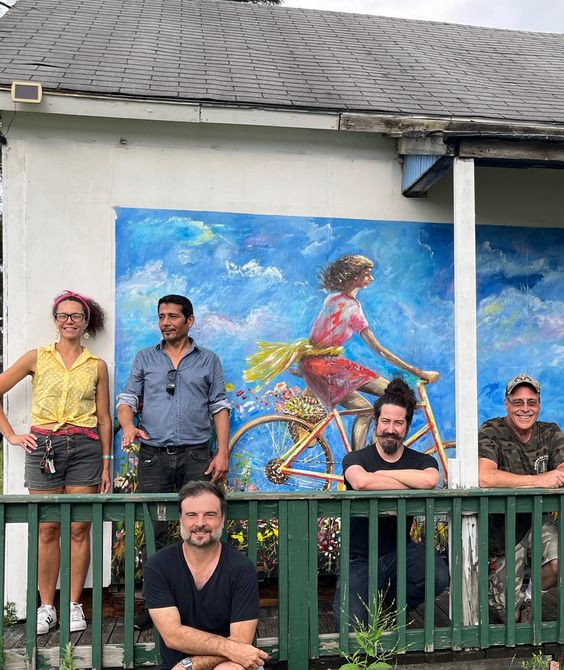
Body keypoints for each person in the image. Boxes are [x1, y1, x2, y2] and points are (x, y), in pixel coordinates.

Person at [0, 290, 112, 634]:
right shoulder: (36, 358)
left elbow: (103, 418)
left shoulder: (96, 365)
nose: (69, 321)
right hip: (44, 449)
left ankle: (73, 605)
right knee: (46, 528)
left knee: (79, 528)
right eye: (63, 316)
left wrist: (107, 463)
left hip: (85, 447)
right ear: (56, 321)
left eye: (76, 316)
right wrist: (11, 435)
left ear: (86, 322)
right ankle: (46, 607)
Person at [245, 254, 438, 446]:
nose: (371, 278)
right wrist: (418, 372)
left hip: (319, 364)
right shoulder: (352, 308)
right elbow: (379, 349)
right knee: (380, 403)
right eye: (367, 274)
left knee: (374, 404)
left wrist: (309, 382)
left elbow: (317, 340)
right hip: (328, 366)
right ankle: (360, 463)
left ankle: (366, 456)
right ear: (355, 277)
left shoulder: (332, 299)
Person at [139, 481, 269, 670]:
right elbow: (173, 636)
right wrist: (187, 667)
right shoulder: (159, 566)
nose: (201, 523)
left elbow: (242, 645)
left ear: (222, 519)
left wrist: (185, 666)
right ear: (181, 519)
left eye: (209, 515)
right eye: (192, 515)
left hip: (233, 668)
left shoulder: (240, 568)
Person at [117, 294, 232, 552]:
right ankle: (156, 593)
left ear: (189, 321)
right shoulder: (145, 358)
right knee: (152, 529)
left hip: (196, 456)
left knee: (200, 528)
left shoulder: (208, 360)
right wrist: (127, 426)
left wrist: (222, 453)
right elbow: (128, 400)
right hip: (153, 456)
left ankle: (198, 590)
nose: (165, 322)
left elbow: (219, 406)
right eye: (161, 317)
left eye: (172, 316)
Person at [340, 377, 451, 629]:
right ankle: (370, 604)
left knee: (437, 575)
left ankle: (389, 605)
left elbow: (430, 480)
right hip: (360, 558)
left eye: (398, 423)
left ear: (407, 427)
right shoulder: (355, 457)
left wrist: (379, 476)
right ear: (376, 423)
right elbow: (360, 482)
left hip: (399, 552)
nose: (391, 429)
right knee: (351, 628)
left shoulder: (420, 460)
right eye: (386, 421)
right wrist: (404, 482)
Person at [478, 374, 564, 621]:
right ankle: (511, 602)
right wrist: (539, 481)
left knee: (560, 559)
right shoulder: (492, 429)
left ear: (539, 405)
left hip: (537, 519)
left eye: (531, 402)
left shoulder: (550, 431)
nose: (525, 408)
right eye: (518, 402)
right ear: (506, 404)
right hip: (502, 528)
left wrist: (552, 477)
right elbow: (485, 476)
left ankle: (531, 598)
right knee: (508, 616)